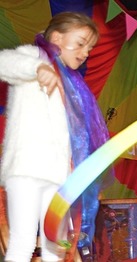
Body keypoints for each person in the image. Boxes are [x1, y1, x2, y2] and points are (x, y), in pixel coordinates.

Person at [0, 12, 108, 261]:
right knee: (23, 241)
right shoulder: (34, 57)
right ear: (57, 37)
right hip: (26, 169)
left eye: (90, 48)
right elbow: (4, 61)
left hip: (58, 178)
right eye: (81, 43)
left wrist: (79, 177)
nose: (85, 52)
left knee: (54, 246)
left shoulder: (73, 84)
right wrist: (37, 68)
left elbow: (72, 137)